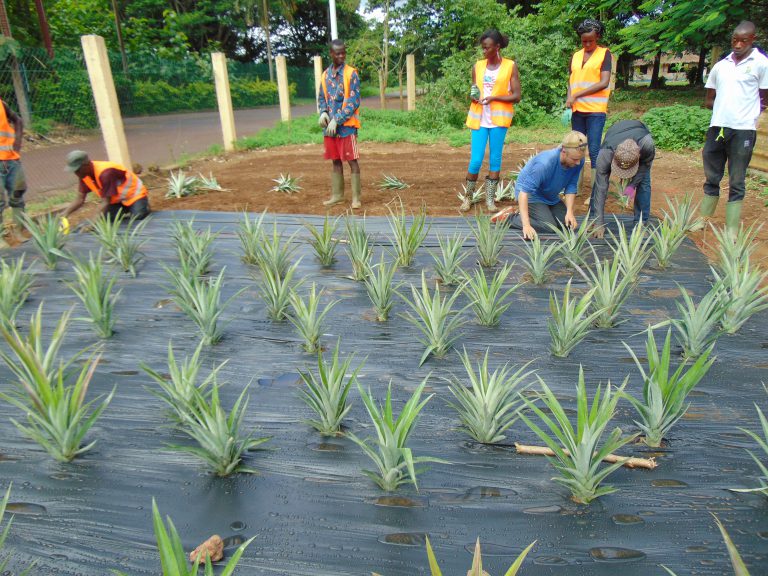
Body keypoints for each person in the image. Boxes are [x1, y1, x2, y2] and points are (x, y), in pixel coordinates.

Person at [692, 21, 768, 234]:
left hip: (743, 129)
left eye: (743, 40)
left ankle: (731, 228)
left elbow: (764, 98)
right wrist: (722, 111)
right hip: (717, 127)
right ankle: (703, 219)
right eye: (735, 39)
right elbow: (709, 98)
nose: (738, 44)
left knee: (737, 178)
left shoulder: (761, 63)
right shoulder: (721, 65)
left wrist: (748, 114)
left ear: (752, 39)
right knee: (711, 174)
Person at [459, 29, 521, 213]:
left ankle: (490, 200)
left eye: (487, 48)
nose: (483, 51)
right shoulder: (477, 66)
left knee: (495, 159)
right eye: (482, 48)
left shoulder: (510, 66)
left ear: (497, 47)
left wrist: (494, 98)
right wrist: (473, 96)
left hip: (498, 120)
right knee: (475, 160)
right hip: (479, 118)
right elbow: (473, 89)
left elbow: (517, 96)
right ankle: (467, 198)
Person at [496, 131, 586, 239]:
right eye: (574, 159)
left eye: (579, 159)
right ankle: (509, 217)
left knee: (567, 225)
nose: (577, 163)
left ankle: (536, 213)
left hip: (550, 196)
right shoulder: (544, 163)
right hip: (532, 195)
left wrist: (569, 212)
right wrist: (526, 226)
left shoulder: (578, 161)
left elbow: (571, 186)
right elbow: (523, 193)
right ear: (563, 151)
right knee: (549, 227)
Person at [566, 18, 613, 204]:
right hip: (577, 110)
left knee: (594, 149)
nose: (587, 44)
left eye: (590, 41)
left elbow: (603, 82)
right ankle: (574, 187)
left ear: (598, 37)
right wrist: (570, 97)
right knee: (576, 147)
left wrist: (577, 94)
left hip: (595, 110)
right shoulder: (576, 56)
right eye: (583, 41)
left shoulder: (605, 54)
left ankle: (596, 192)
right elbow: (571, 80)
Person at [589, 119, 655, 237]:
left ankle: (641, 222)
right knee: (598, 183)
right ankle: (593, 218)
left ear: (639, 156)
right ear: (614, 157)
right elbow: (601, 188)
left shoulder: (647, 146)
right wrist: (599, 222)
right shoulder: (605, 155)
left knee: (644, 183)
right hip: (615, 132)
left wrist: (632, 185)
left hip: (639, 131)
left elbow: (645, 166)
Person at [318, 39, 362, 209]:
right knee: (335, 160)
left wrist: (338, 119)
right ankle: (337, 195)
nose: (342, 55)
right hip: (330, 128)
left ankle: (356, 198)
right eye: (338, 53)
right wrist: (323, 112)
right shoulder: (325, 75)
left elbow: (353, 101)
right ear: (331, 54)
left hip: (346, 127)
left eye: (343, 52)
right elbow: (322, 97)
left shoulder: (351, 74)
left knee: (352, 161)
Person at [62, 150, 150, 221]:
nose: (76, 173)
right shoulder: (84, 175)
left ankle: (142, 206)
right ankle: (126, 209)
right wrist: (64, 214)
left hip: (134, 195)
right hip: (116, 200)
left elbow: (106, 201)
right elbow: (80, 199)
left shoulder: (105, 173)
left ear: (86, 164)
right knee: (106, 219)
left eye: (77, 170)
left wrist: (93, 221)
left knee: (138, 216)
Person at [0, 97, 27, 248]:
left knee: (17, 194)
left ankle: (19, 231)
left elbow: (18, 120)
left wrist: (18, 142)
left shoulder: (2, 104)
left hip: (11, 160)